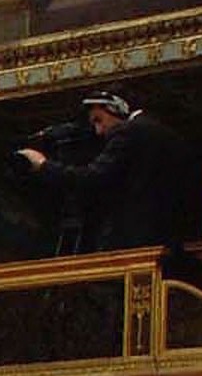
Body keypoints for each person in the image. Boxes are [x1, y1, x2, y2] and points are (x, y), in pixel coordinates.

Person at [16, 92, 187, 256]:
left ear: (115, 109)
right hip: (169, 239)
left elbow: (94, 177)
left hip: (133, 242)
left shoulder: (129, 131)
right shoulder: (168, 135)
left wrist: (43, 165)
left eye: (99, 120)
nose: (99, 131)